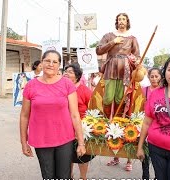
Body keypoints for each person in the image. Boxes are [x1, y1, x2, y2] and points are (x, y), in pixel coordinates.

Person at [19, 50, 86, 179]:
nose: (51, 64)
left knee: (64, 176)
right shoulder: (31, 85)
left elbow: (75, 115)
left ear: (59, 65)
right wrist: (23, 141)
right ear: (41, 62)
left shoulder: (67, 84)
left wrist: (81, 142)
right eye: (47, 61)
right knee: (48, 176)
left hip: (65, 139)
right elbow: (24, 116)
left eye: (55, 62)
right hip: (41, 139)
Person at [96, 12, 141, 171]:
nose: (121, 21)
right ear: (116, 22)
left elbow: (137, 56)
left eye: (124, 19)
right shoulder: (109, 36)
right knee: (108, 102)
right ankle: (114, 152)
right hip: (110, 70)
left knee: (124, 110)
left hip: (126, 73)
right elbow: (99, 50)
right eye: (119, 19)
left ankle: (128, 158)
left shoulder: (132, 38)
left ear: (127, 22)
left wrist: (131, 59)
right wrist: (113, 42)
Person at [63, 64, 95, 180]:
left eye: (70, 72)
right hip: (65, 129)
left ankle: (83, 177)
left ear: (77, 76)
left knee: (82, 156)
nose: (66, 73)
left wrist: (85, 126)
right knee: (67, 156)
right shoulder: (61, 88)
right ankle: (69, 176)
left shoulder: (85, 91)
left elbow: (93, 111)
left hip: (82, 129)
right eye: (65, 71)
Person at [141, 67, 162, 180]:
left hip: (158, 126)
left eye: (156, 76)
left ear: (160, 77)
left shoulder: (164, 90)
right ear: (148, 77)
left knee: (156, 154)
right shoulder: (144, 90)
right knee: (145, 151)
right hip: (145, 123)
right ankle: (145, 175)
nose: (154, 79)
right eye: (151, 76)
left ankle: (158, 176)